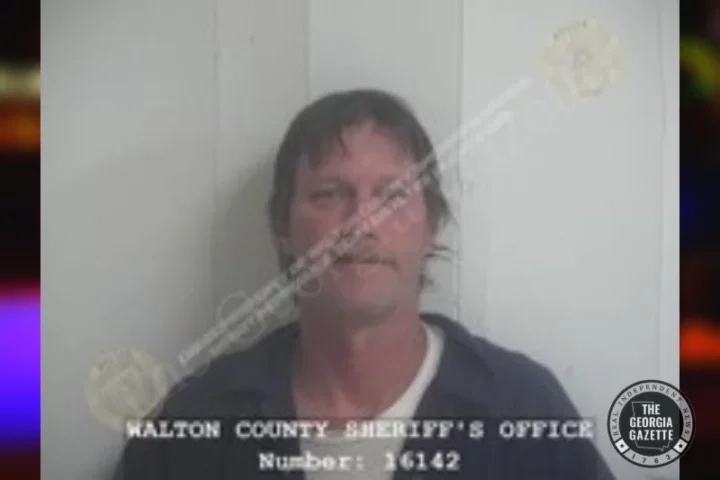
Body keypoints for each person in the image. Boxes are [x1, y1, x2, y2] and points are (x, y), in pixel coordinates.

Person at [114, 89, 616, 479]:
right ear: (283, 228)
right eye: (330, 194)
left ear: (432, 227)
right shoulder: (196, 423)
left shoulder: (524, 409)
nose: (361, 222)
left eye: (393, 196)